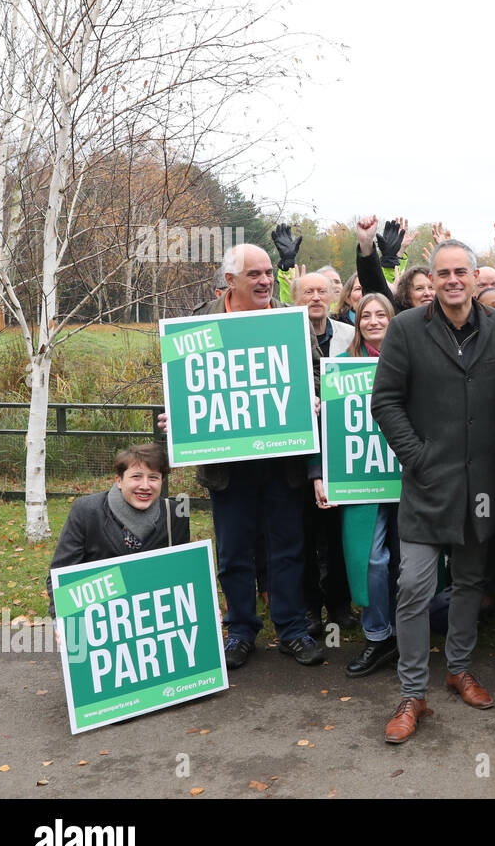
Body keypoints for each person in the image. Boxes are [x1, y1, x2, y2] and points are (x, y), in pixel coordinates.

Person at [371, 237, 495, 743]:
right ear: (430, 281)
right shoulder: (407, 329)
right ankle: (413, 692)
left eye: (462, 272)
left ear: (477, 278)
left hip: (482, 484)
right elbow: (385, 401)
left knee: (471, 582)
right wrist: (417, 457)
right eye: (443, 273)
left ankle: (458, 668)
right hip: (427, 483)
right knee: (413, 585)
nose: (453, 280)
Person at [162, 243, 327, 669]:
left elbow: (315, 375)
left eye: (269, 273)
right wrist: (175, 417)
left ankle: (291, 628)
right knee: (234, 550)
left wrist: (312, 398)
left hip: (282, 463)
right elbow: (186, 384)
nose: (266, 281)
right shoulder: (201, 323)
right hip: (228, 468)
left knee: (288, 547)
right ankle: (240, 629)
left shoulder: (291, 322)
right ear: (229, 281)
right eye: (255, 274)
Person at [316, 293, 402, 677]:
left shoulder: (411, 362)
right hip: (362, 479)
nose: (372, 320)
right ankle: (378, 634)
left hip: (409, 477)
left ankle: (409, 635)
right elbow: (325, 429)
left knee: (412, 562)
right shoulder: (341, 368)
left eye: (380, 313)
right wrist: (320, 474)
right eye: (364, 315)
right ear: (356, 321)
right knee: (371, 559)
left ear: (393, 318)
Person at [49, 444, 190, 611]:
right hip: (101, 616)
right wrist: (63, 623)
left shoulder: (175, 514)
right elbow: (61, 577)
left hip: (155, 615)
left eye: (153, 478)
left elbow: (184, 575)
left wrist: (202, 609)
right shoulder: (86, 510)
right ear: (119, 481)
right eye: (136, 476)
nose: (145, 485)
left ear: (162, 481)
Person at [293, 270, 356, 633]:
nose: (315, 297)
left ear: (333, 295)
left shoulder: (348, 334)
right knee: (302, 530)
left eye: (322, 291)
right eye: (307, 291)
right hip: (297, 450)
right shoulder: (283, 335)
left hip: (340, 445)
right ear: (296, 297)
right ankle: (308, 607)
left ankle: (339, 603)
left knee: (336, 531)